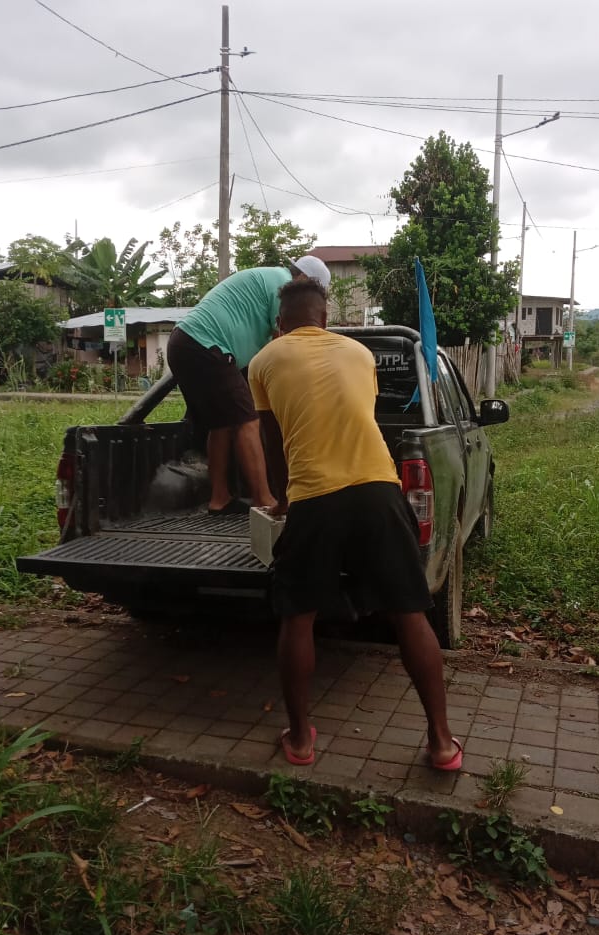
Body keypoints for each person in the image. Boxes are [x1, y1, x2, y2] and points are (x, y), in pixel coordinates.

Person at [248, 277, 461, 771]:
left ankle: (300, 740)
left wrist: (283, 499)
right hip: (378, 489)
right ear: (325, 319)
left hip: (314, 497)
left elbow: (274, 441)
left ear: (279, 325)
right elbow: (356, 414)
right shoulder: (360, 355)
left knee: (298, 617)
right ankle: (441, 742)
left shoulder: (263, 362)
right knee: (409, 612)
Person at [166, 256, 331, 515]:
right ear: (302, 279)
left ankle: (219, 498)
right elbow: (286, 344)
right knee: (248, 420)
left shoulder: (268, 278)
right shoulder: (283, 286)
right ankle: (264, 499)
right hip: (207, 345)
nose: (308, 300)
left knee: (221, 424)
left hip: (184, 343)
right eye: (311, 291)